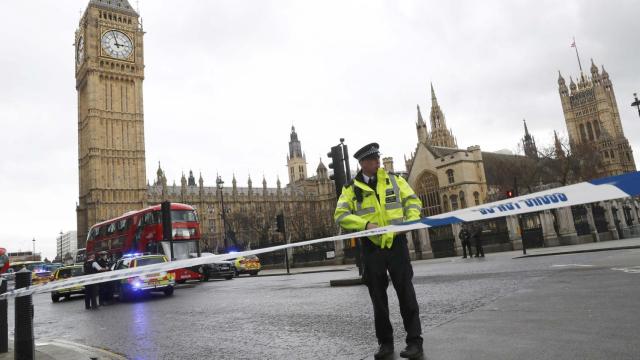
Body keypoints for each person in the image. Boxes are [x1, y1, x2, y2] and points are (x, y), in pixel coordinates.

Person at [334, 143, 424, 360]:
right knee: (378, 299)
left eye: (377, 158)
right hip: (372, 247)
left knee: (406, 293)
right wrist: (365, 225)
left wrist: (409, 222)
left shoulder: (395, 180)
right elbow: (341, 215)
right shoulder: (350, 189)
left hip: (396, 244)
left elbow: (413, 201)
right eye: (373, 159)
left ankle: (414, 343)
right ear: (363, 163)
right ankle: (385, 343)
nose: (377, 162)